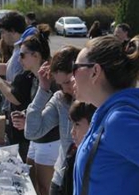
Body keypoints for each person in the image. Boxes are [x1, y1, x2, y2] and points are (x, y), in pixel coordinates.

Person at [0, 24, 60, 195]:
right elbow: (37, 106)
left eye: (22, 55)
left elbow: (55, 112)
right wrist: (26, 116)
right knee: (32, 185)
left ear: (36, 55)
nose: (18, 59)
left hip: (49, 141)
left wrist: (28, 120)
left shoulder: (50, 78)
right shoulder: (34, 77)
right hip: (36, 139)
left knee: (44, 189)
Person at [73, 35, 139, 195]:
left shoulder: (118, 120)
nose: (71, 75)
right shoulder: (108, 114)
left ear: (95, 72)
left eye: (75, 67)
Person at [24, 45, 80, 195]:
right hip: (61, 177)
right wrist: (43, 89)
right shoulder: (61, 99)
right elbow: (32, 132)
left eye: (68, 82)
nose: (65, 89)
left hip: (84, 178)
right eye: (60, 84)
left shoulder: (97, 99)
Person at [61, 101, 96, 195]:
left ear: (92, 125)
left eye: (77, 124)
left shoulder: (98, 158)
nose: (72, 132)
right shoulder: (73, 150)